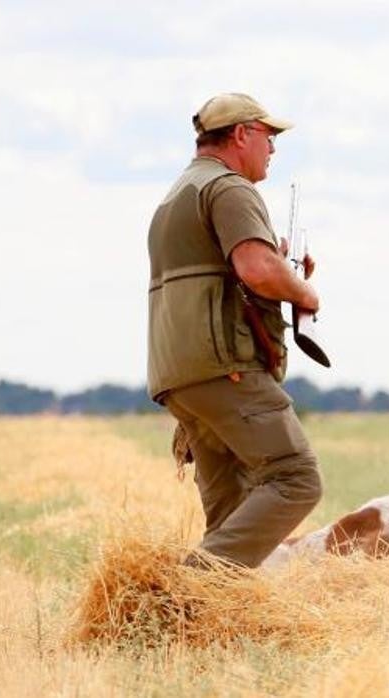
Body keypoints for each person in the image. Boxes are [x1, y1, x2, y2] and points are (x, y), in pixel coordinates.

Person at [146, 93, 322, 568]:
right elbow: (258, 270)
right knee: (296, 478)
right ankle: (180, 591)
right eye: (269, 136)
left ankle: (204, 622)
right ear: (241, 134)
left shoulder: (177, 195)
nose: (273, 148)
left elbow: (233, 270)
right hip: (226, 367)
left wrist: (272, 261)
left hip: (181, 376)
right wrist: (303, 290)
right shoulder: (230, 189)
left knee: (233, 511)